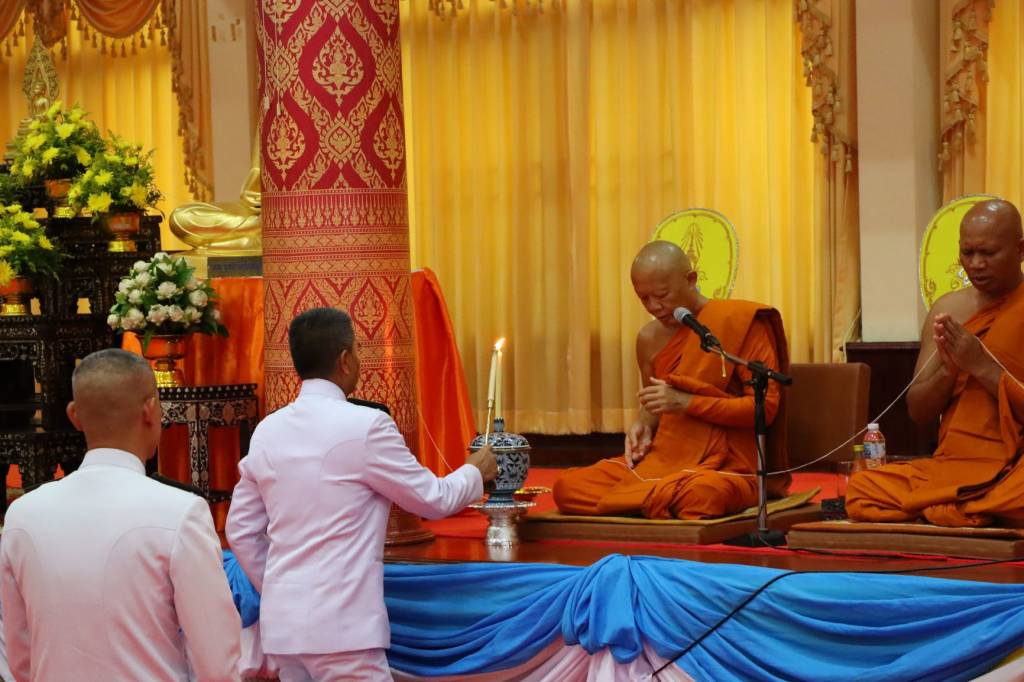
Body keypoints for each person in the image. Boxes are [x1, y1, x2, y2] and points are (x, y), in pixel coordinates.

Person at [226, 307, 497, 681]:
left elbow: (240, 531)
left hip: (284, 629)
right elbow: (433, 500)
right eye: (356, 350)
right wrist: (475, 472)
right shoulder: (366, 425)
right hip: (342, 629)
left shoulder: (268, 430)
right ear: (344, 359)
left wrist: (279, 590)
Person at [0, 349, 241, 681]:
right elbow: (216, 662)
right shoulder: (179, 511)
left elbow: (19, 656)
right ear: (151, 410)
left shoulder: (23, 515)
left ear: (74, 415)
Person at [552, 241, 790, 519]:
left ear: (691, 280)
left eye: (662, 295)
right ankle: (656, 500)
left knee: (703, 496)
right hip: (663, 460)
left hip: (725, 466)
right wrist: (642, 425)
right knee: (567, 488)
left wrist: (688, 403)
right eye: (643, 298)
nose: (654, 307)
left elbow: (764, 409)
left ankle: (638, 500)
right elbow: (656, 404)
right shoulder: (649, 339)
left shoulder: (739, 323)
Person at [847, 199, 1024, 526]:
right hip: (952, 464)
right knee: (862, 488)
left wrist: (981, 366)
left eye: (988, 253)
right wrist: (949, 368)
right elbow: (918, 411)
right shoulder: (949, 310)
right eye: (967, 252)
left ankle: (944, 507)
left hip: (1013, 466)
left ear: (1020, 250)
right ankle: (968, 509)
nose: (976, 264)